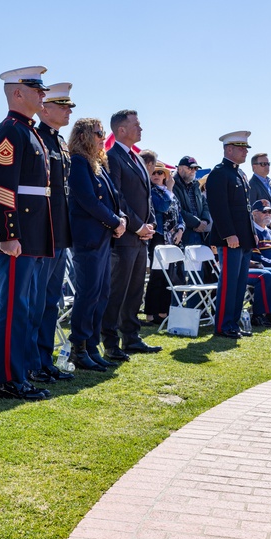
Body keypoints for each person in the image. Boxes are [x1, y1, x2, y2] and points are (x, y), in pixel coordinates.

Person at [0, 66, 55, 398]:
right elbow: (3, 188)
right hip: (20, 233)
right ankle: (9, 378)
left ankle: (22, 370)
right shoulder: (9, 132)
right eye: (36, 89)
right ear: (18, 93)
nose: (43, 94)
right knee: (14, 307)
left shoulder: (30, 131)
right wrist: (9, 233)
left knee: (27, 307)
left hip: (34, 231)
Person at [67, 119, 126, 371]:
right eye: (98, 133)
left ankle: (91, 347)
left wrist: (121, 218)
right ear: (83, 136)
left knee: (101, 293)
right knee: (88, 294)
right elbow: (89, 200)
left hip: (102, 238)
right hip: (89, 239)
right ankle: (78, 349)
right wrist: (115, 222)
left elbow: (113, 196)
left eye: (103, 133)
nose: (103, 137)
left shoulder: (98, 164)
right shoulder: (79, 162)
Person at [101, 110, 159, 359]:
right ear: (121, 130)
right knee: (118, 291)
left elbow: (146, 197)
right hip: (125, 236)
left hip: (141, 237)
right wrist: (137, 226)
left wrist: (151, 224)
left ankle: (132, 337)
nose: (141, 128)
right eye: (136, 124)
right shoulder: (113, 157)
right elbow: (118, 197)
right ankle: (111, 343)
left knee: (135, 290)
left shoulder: (135, 158)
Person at [30, 82, 75, 380]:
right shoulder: (38, 139)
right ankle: (32, 361)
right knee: (36, 301)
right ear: (44, 109)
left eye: (69, 106)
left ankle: (44, 359)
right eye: (62, 106)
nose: (68, 111)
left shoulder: (59, 142)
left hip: (60, 233)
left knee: (51, 301)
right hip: (44, 234)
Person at [206, 131, 256, 339]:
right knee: (228, 283)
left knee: (240, 282)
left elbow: (243, 209)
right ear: (228, 149)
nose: (245, 152)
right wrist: (228, 234)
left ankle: (233, 323)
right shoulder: (219, 173)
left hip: (243, 238)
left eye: (246, 148)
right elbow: (218, 208)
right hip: (231, 239)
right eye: (241, 148)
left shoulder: (240, 174)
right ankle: (223, 326)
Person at [142, 163, 185, 326]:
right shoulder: (151, 192)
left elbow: (179, 215)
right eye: (153, 172)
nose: (156, 175)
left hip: (173, 239)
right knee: (157, 275)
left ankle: (163, 311)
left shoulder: (170, 193)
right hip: (159, 238)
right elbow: (163, 206)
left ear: (165, 176)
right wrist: (170, 190)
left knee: (169, 277)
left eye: (160, 172)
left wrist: (180, 230)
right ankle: (151, 313)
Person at [172, 156, 211, 249]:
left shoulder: (195, 185)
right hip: (182, 233)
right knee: (183, 262)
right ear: (179, 168)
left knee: (199, 262)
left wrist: (205, 221)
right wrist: (197, 223)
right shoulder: (172, 184)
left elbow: (205, 204)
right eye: (190, 168)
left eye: (195, 168)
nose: (193, 170)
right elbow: (176, 209)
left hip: (199, 233)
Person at [246, 152, 271, 228]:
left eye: (268, 164)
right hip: (261, 231)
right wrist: (269, 224)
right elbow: (252, 212)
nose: (267, 166)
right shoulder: (250, 185)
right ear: (254, 167)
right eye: (263, 164)